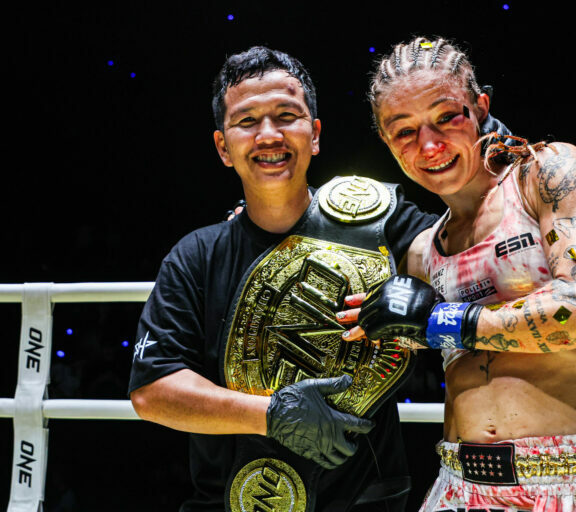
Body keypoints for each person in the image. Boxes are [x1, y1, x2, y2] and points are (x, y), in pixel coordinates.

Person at [338, 37, 576, 511]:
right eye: (404, 131)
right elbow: (409, 335)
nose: (429, 145)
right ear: (387, 144)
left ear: (480, 107)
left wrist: (447, 322)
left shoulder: (548, 175)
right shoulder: (422, 251)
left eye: (446, 117)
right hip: (458, 488)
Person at [128, 46, 435, 512]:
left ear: (314, 135)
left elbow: (470, 259)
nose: (268, 135)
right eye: (247, 121)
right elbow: (153, 392)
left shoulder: (382, 226)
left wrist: (427, 300)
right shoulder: (196, 256)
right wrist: (271, 415)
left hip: (365, 498)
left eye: (286, 116)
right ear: (222, 147)